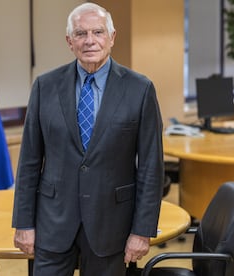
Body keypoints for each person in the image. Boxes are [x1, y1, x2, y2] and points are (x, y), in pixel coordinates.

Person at [12, 3, 164, 276]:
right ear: (70, 42)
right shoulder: (45, 86)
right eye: (81, 34)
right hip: (53, 224)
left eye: (98, 32)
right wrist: (23, 223)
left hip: (112, 226)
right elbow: (29, 162)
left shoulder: (140, 89)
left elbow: (151, 169)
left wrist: (142, 231)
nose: (90, 41)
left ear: (112, 37)